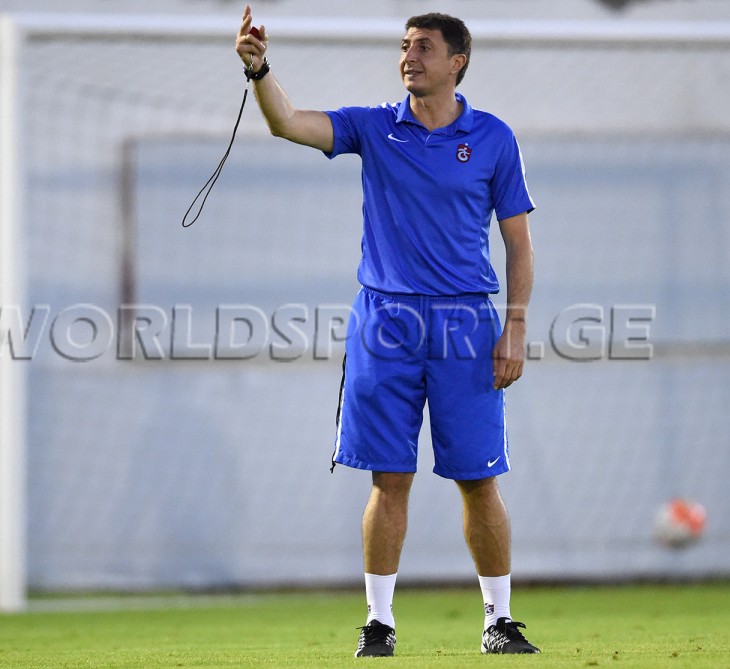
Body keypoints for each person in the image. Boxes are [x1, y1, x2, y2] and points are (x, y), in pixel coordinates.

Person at [235, 5, 540, 657]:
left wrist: (514, 328)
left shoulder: (494, 138)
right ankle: (378, 622)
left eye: (423, 47)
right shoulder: (373, 126)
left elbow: (519, 242)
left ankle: (499, 620)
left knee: (479, 478)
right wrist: (260, 70)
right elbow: (288, 122)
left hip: (465, 322)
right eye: (404, 45)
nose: (409, 56)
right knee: (388, 477)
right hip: (385, 321)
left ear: (456, 62)